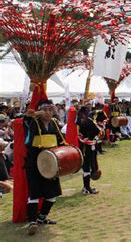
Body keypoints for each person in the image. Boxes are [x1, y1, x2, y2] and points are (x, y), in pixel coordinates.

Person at [24, 100, 66, 235]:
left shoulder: (54, 123)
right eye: (45, 110)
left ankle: (42, 217)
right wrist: (30, 116)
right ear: (40, 111)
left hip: (51, 163)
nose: (48, 113)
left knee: (52, 194)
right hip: (35, 163)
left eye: (50, 110)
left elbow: (61, 141)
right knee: (34, 194)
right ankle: (32, 221)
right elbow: (27, 138)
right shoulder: (33, 123)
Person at [78, 107, 101, 195]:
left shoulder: (81, 122)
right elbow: (98, 131)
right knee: (87, 167)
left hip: (84, 146)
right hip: (88, 147)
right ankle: (86, 188)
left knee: (86, 168)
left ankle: (86, 187)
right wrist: (92, 137)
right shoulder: (88, 121)